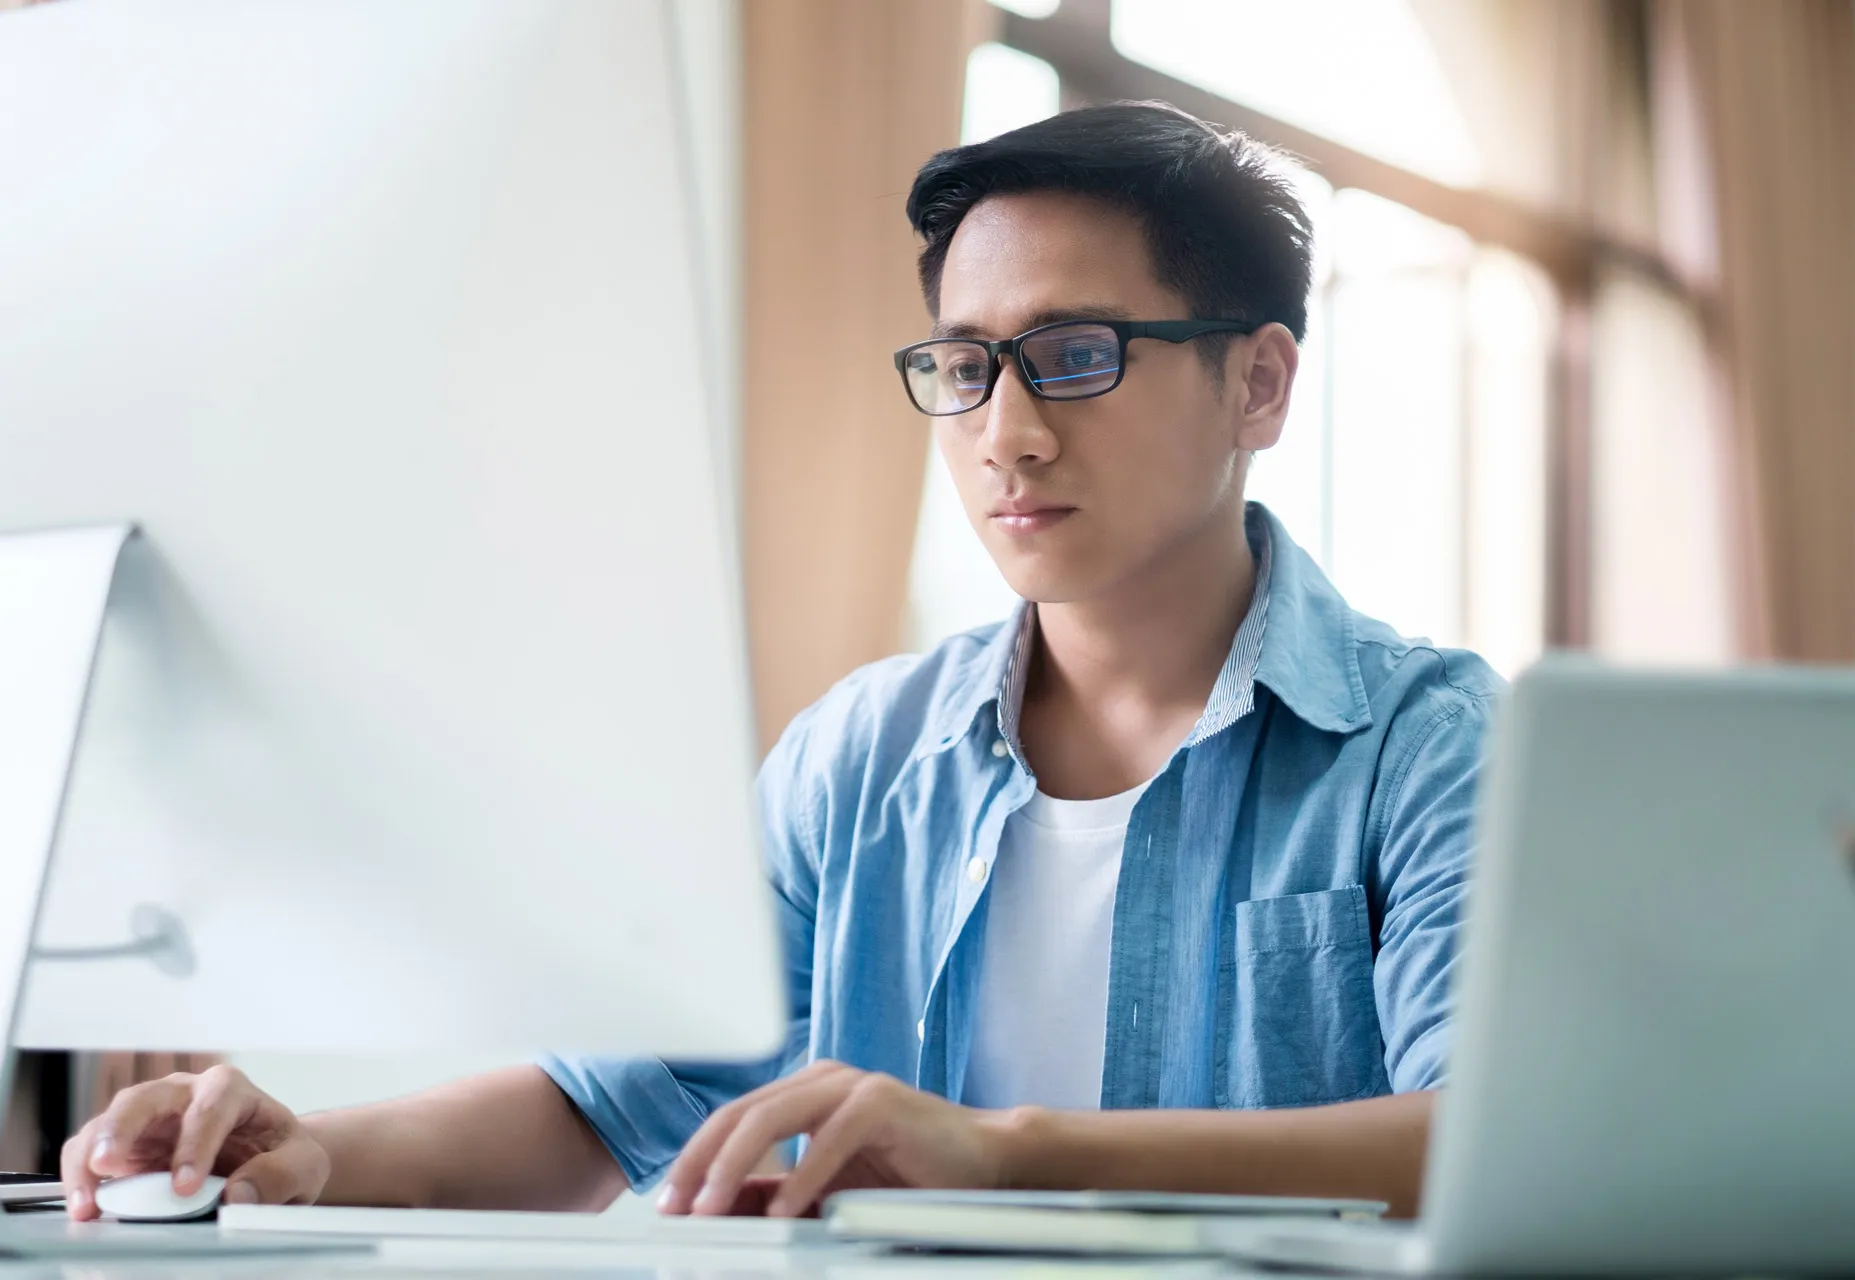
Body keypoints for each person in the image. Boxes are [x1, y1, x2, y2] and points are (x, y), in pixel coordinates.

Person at [61, 102, 1500, 1224]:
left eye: (1074, 356)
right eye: (963, 365)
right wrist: (307, 1147)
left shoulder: (1428, 743)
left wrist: (1003, 1158)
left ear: (1259, 381)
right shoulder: (862, 756)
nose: (1004, 431)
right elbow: (601, 1110)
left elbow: (1491, 1135)